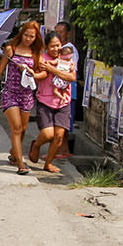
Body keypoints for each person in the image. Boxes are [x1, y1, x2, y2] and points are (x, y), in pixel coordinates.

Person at [0, 21, 45, 175]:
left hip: (27, 95)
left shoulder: (36, 53)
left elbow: (42, 74)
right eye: (26, 35)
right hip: (10, 93)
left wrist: (31, 72)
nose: (28, 39)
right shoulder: (11, 49)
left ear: (36, 37)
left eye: (32, 36)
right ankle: (21, 164)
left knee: (23, 130)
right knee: (16, 128)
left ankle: (14, 153)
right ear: (21, 34)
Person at [28, 32, 77, 173]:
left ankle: (48, 163)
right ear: (46, 47)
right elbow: (40, 76)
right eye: (52, 46)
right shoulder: (42, 59)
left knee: (59, 137)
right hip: (45, 101)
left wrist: (52, 70)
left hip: (63, 102)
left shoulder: (67, 59)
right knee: (48, 135)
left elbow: (71, 77)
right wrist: (34, 73)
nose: (56, 49)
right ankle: (36, 145)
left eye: (58, 45)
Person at [52, 21, 79, 159]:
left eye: (61, 32)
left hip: (67, 89)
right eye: (56, 31)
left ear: (68, 33)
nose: (58, 34)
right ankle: (63, 149)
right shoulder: (60, 48)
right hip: (62, 88)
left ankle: (61, 150)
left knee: (63, 122)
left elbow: (67, 70)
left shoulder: (68, 49)